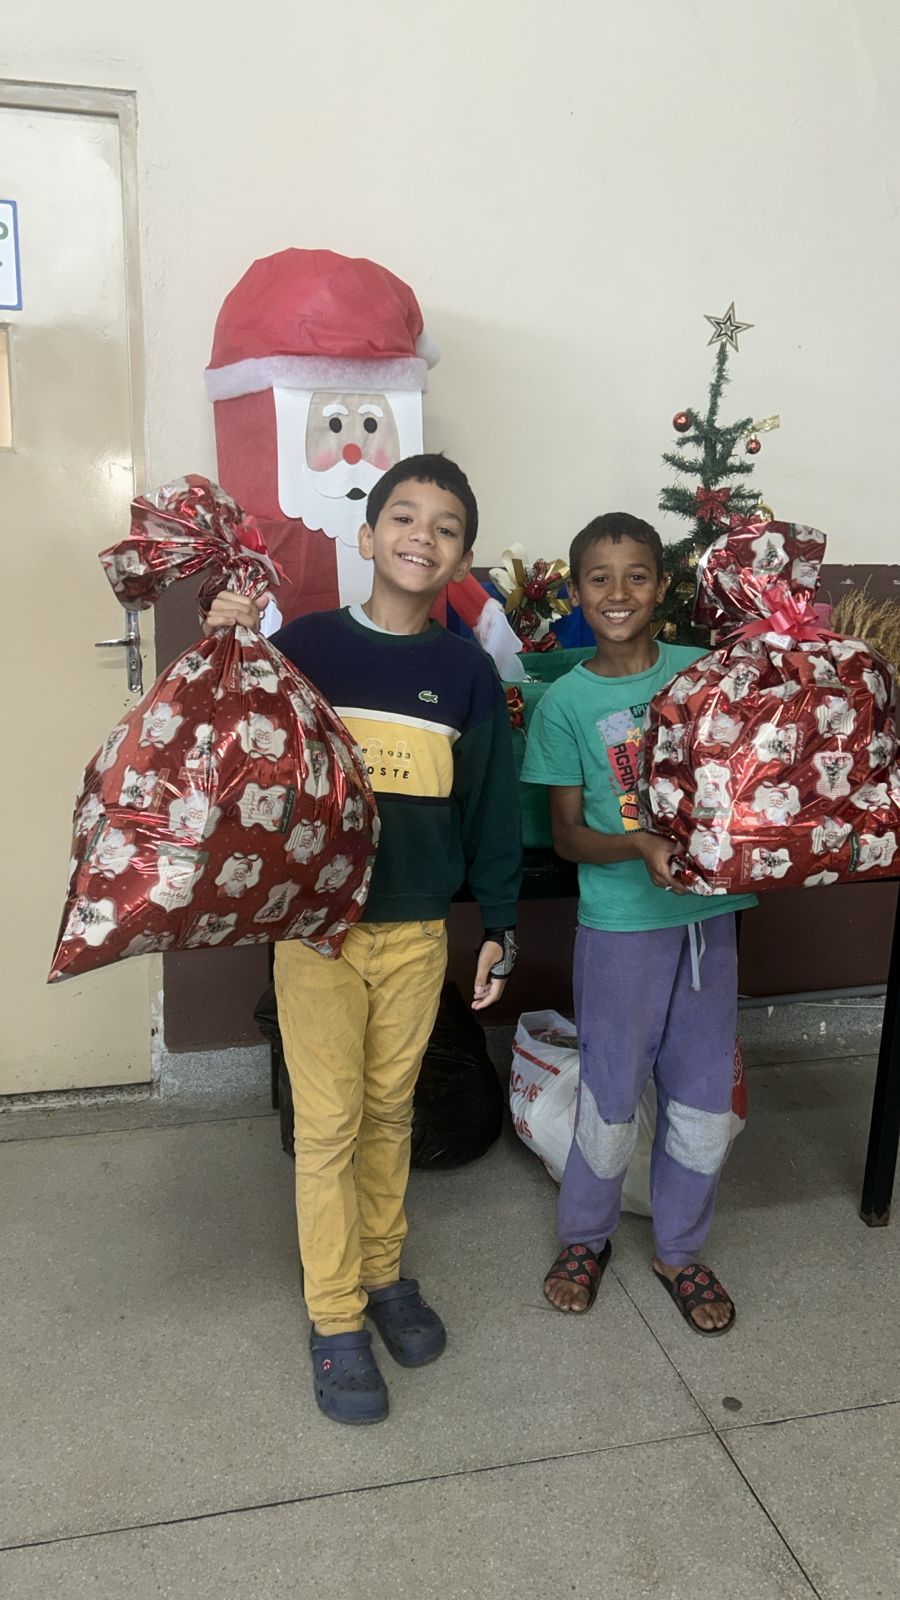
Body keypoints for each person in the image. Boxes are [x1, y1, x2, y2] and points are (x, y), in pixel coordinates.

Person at [204, 454, 522, 1420]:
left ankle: (384, 1275)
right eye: (405, 517)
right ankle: (336, 1315)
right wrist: (227, 647)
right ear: (368, 533)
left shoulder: (465, 673)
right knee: (329, 1124)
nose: (423, 536)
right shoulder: (304, 648)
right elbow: (231, 747)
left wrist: (499, 925)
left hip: (417, 933)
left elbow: (490, 811)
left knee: (390, 1113)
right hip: (317, 934)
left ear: (461, 556)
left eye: (447, 527)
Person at [521, 512, 755, 1336]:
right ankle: (584, 1238)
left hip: (708, 926)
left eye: (636, 576)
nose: (618, 592)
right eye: (600, 578)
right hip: (619, 927)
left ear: (662, 587)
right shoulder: (566, 703)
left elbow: (750, 775)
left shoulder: (706, 672)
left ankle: (680, 1249)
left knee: (700, 1097)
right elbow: (565, 836)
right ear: (577, 593)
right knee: (612, 1093)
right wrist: (637, 844)